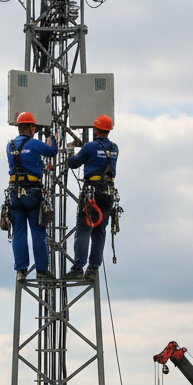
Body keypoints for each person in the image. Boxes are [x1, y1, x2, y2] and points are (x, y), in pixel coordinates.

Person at [65, 115, 118, 279]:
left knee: (84, 228)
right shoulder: (114, 148)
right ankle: (93, 269)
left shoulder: (90, 147)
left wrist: (70, 150)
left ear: (96, 129)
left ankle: (78, 267)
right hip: (107, 193)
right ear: (108, 130)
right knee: (99, 231)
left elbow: (73, 163)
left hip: (92, 193)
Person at [7, 112, 57, 281]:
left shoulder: (11, 145)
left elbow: (22, 163)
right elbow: (52, 152)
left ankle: (21, 270)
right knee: (38, 232)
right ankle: (41, 271)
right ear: (31, 127)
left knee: (19, 232)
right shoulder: (35, 144)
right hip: (33, 193)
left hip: (15, 193)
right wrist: (52, 136)